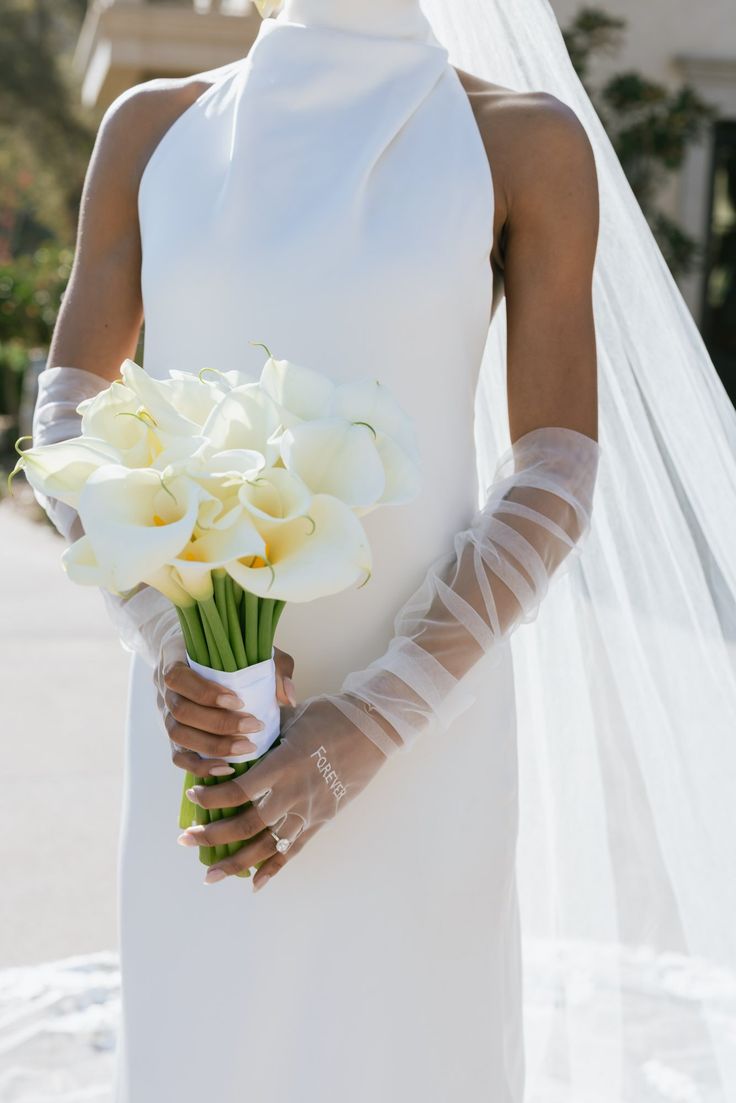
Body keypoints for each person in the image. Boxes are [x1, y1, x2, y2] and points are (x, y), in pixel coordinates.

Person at [28, 1, 736, 1101]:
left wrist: (371, 719)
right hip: (202, 725)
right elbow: (68, 414)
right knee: (210, 1049)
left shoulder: (524, 143)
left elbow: (553, 473)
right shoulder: (150, 129)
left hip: (424, 733)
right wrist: (171, 644)